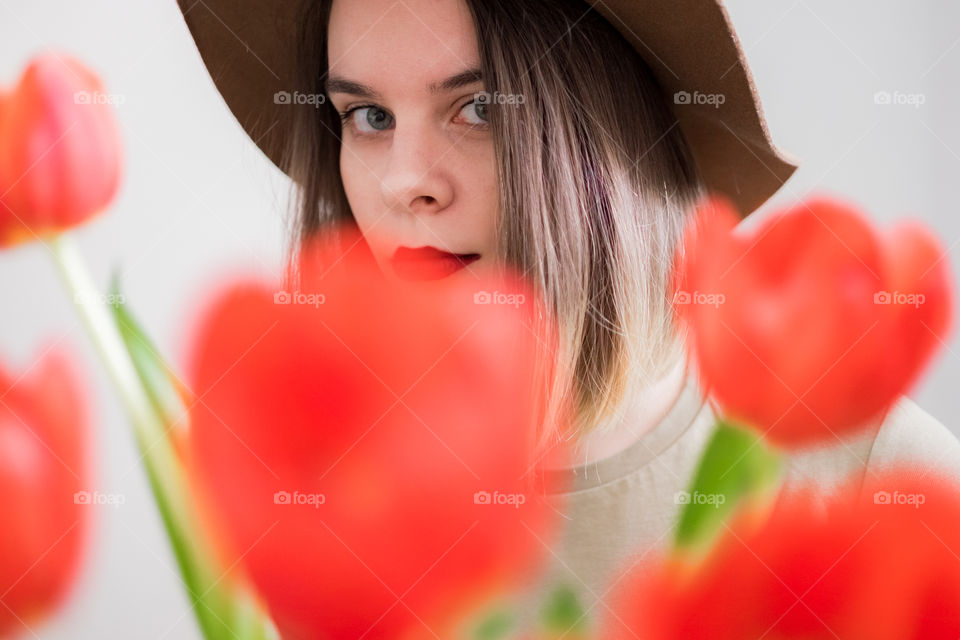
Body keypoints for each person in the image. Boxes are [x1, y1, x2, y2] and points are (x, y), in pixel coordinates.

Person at [177, 0, 960, 632]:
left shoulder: (880, 479)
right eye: (368, 117)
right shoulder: (314, 493)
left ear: (608, 136)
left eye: (477, 107)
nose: (406, 182)